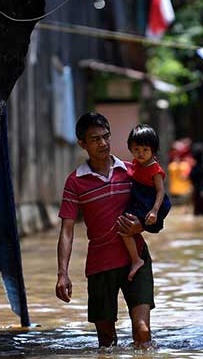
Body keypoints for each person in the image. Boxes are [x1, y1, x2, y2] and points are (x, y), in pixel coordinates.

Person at [55, 113, 154, 348]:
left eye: (106, 136)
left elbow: (156, 211)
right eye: (95, 139)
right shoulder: (75, 182)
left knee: (142, 332)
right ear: (82, 144)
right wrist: (62, 273)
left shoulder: (132, 172)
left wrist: (141, 226)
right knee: (106, 342)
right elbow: (67, 230)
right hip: (100, 266)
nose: (103, 143)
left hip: (136, 260)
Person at [121, 124, 169, 282]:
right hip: (138, 199)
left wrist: (154, 210)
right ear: (130, 149)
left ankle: (136, 260)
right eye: (136, 149)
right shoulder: (135, 163)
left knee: (126, 230)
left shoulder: (154, 169)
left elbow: (160, 191)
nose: (140, 153)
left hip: (148, 202)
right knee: (124, 226)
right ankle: (136, 259)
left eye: (145, 150)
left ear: (153, 150)